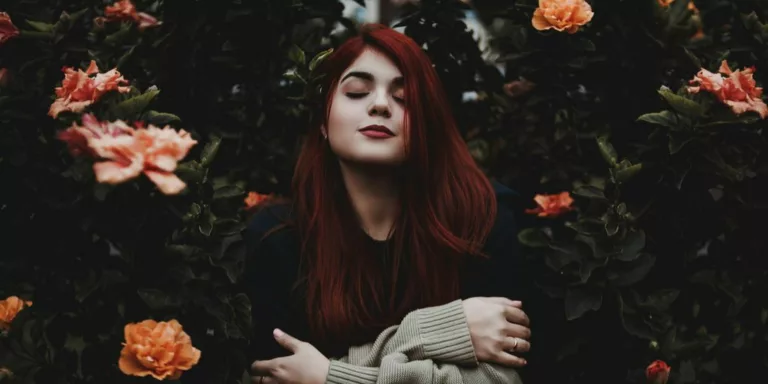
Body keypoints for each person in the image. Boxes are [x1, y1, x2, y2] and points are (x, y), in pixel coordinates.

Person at [244, 23, 533, 384]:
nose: (380, 105)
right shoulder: (277, 240)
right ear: (323, 121)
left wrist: (330, 377)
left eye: (404, 98)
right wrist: (441, 330)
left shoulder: (480, 221)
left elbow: (498, 379)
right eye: (357, 92)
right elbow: (277, 375)